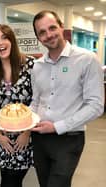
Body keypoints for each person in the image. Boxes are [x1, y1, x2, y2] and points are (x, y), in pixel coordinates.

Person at [31, 10, 104, 187]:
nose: (48, 35)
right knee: (44, 183)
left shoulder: (87, 59)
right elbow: (36, 101)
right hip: (40, 138)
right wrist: (24, 121)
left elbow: (96, 105)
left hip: (69, 138)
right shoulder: (37, 66)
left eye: (52, 28)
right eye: (42, 32)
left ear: (62, 27)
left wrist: (57, 127)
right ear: (38, 38)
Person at [0, 24, 34, 187]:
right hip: (0, 138)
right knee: (7, 177)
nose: (0, 43)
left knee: (11, 180)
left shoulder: (30, 65)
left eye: (4, 37)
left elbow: (39, 101)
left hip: (24, 138)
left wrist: (27, 133)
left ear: (12, 40)